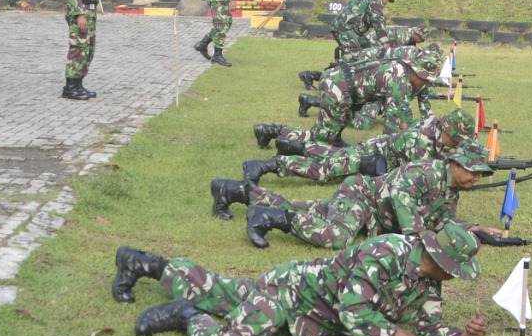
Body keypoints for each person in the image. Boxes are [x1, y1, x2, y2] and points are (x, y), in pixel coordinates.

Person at [114, 223, 488, 336]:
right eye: (456, 268)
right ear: (440, 259)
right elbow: (354, 309)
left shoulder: (429, 281)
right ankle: (186, 315)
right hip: (290, 292)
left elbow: (425, 326)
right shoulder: (385, 253)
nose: (457, 277)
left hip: (311, 305)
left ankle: (143, 263)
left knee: (221, 291)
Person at [210, 138, 503, 251]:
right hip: (362, 196)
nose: (476, 177)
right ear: (454, 163)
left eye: (480, 174)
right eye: (472, 170)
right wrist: (418, 235)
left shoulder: (451, 191)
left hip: (371, 215)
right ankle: (270, 218)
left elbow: (442, 221)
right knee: (338, 236)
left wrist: (475, 229)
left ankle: (233, 191)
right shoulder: (425, 171)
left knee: (306, 208)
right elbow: (402, 199)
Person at [257, 47, 441, 149]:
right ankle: (270, 131)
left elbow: (404, 115)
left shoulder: (403, 72)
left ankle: (334, 137)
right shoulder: (398, 79)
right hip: (337, 87)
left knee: (335, 129)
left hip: (349, 91)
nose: (424, 84)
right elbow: (393, 124)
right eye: (424, 79)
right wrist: (395, 151)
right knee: (319, 140)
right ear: (416, 70)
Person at [242, 107, 476, 185]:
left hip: (376, 149)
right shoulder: (422, 145)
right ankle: (263, 166)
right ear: (452, 133)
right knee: (325, 170)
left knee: (334, 155)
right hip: (371, 158)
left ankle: (290, 145)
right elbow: (413, 175)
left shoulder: (433, 124)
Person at [330, 0, 395, 60]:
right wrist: (385, 41)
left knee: (368, 53)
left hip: (352, 30)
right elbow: (377, 19)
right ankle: (334, 70)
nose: (387, 2)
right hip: (344, 29)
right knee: (355, 57)